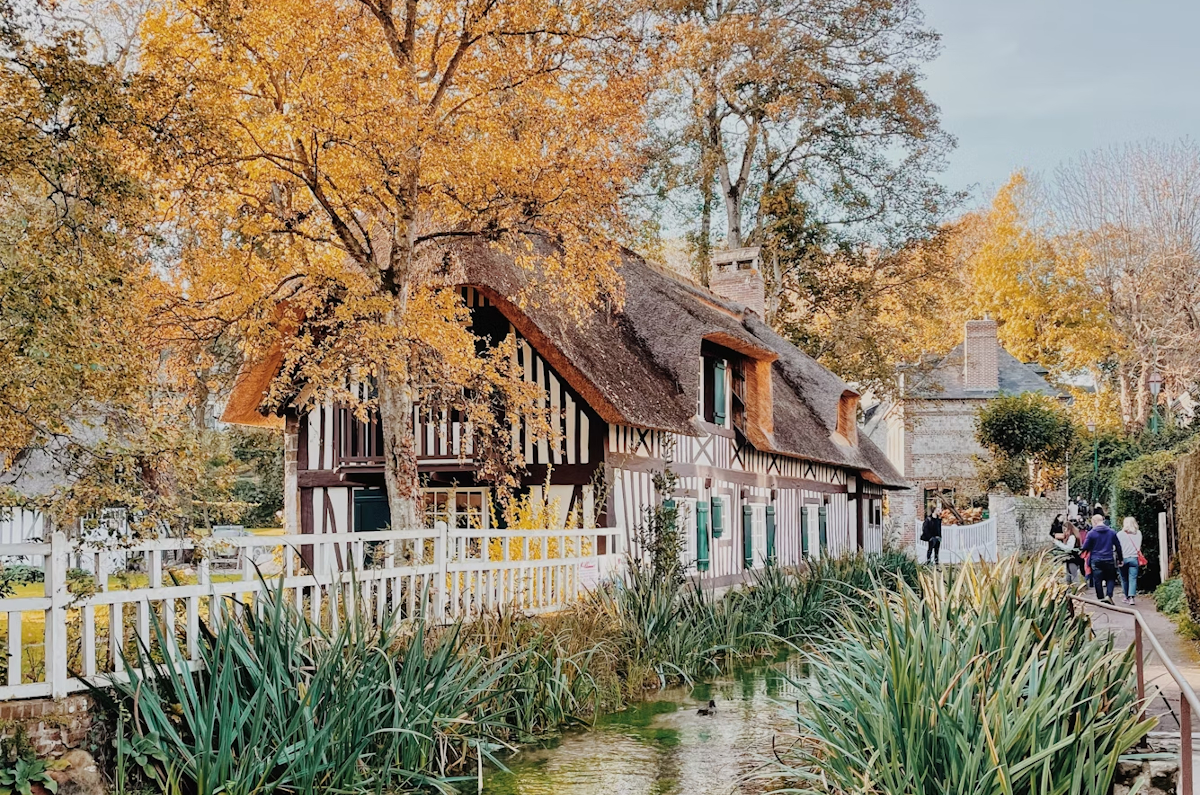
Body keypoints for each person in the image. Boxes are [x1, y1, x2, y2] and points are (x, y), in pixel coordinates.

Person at [1081, 514, 1122, 603]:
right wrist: (1120, 559)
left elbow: (1085, 547)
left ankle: (1100, 598)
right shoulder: (1112, 532)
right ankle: (1108, 595)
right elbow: (1118, 547)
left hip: (1096, 559)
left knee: (1097, 579)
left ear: (1095, 522)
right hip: (1109, 558)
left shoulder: (1091, 533)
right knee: (1110, 578)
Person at [1117, 516, 1144, 606]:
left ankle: (1126, 597)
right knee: (1133, 578)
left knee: (1124, 579)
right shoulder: (1138, 533)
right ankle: (1132, 598)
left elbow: (1117, 547)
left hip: (1123, 558)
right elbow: (1139, 546)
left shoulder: (1120, 534)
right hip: (1134, 558)